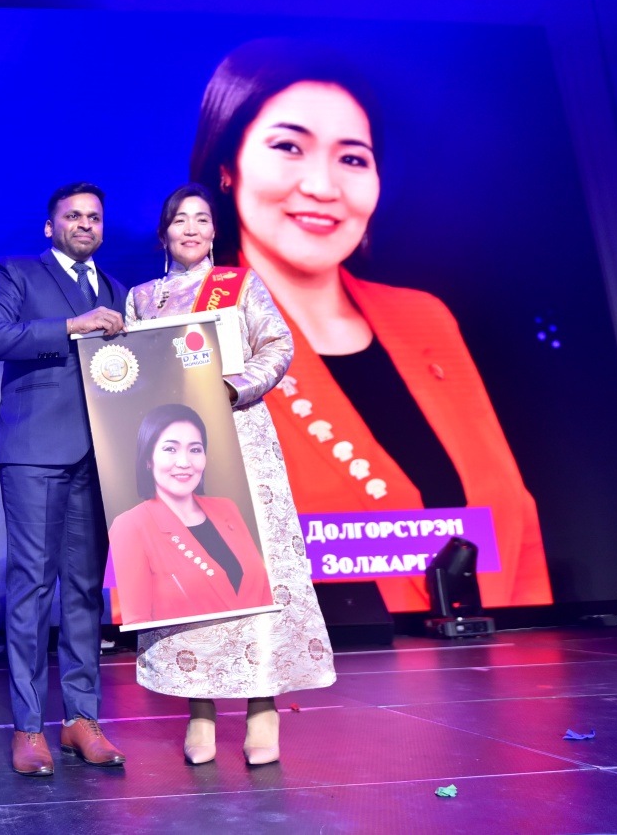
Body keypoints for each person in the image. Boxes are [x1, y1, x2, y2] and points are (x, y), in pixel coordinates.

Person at [187, 38, 552, 613]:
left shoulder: (425, 319)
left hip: (500, 658)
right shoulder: (186, 329)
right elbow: (163, 554)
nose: (323, 187)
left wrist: (535, 654)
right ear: (227, 168)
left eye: (353, 158)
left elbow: (514, 521)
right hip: (308, 668)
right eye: (289, 147)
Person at [126, 182, 335, 766]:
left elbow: (277, 345)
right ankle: (200, 710)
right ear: (164, 233)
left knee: (251, 566)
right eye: (179, 220)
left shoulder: (240, 285)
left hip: (240, 436)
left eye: (201, 219)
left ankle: (263, 706)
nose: (191, 229)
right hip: (176, 451)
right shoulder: (141, 300)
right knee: (189, 568)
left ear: (214, 230)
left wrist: (231, 388)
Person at [0, 182, 129, 777]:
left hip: (101, 457)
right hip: (35, 452)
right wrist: (70, 326)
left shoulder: (117, 291)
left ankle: (82, 720)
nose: (85, 224)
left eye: (94, 217)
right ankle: (30, 726)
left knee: (86, 591)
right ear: (50, 226)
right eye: (73, 216)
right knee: (34, 587)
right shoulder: (16, 274)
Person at [109, 404, 273, 624]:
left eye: (195, 450)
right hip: (186, 646)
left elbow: (264, 592)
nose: (185, 462)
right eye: (170, 449)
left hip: (258, 642)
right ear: (148, 459)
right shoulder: (130, 526)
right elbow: (136, 621)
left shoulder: (227, 509)